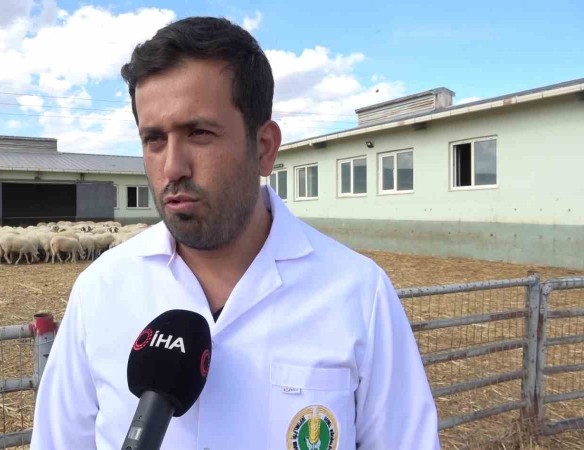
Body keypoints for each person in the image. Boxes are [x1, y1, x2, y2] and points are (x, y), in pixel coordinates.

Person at [30, 16, 440, 450]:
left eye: (199, 133)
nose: (172, 167)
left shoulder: (359, 294)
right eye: (154, 139)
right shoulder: (101, 290)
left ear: (263, 148)